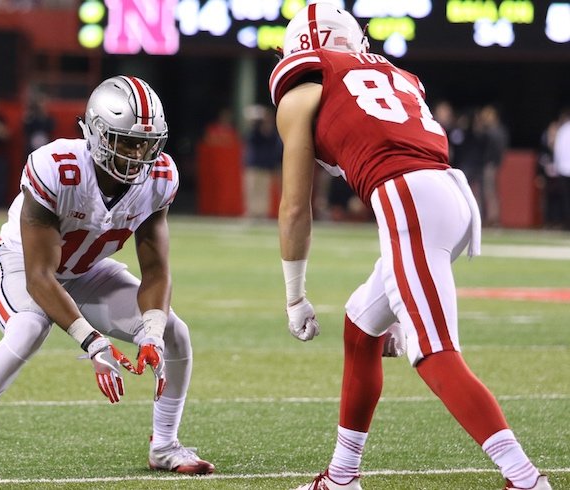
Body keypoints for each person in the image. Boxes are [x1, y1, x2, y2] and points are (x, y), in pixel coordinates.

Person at [269, 4, 550, 490]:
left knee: (434, 352)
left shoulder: (304, 88)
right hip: (449, 195)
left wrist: (294, 295)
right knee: (361, 325)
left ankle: (524, 479)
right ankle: (341, 476)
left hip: (408, 200)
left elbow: (296, 207)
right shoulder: (397, 75)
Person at [0, 75, 214, 478]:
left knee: (174, 332)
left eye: (147, 143)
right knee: (28, 329)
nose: (139, 153)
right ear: (97, 133)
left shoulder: (160, 177)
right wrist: (93, 343)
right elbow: (40, 276)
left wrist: (150, 331)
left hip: (87, 270)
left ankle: (165, 445)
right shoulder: (56, 168)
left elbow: (155, 269)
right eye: (127, 141)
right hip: (20, 263)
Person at [243, 105, 283, 219]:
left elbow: (275, 147)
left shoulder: (272, 133)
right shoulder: (255, 132)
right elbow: (249, 137)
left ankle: (261, 213)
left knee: (263, 191)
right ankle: (252, 213)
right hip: (254, 164)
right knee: (252, 189)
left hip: (265, 165)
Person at [554, 108, 570, 230]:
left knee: (565, 199)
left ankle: (566, 223)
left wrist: (557, 165)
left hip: (564, 168)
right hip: (564, 167)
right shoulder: (563, 130)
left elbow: (557, 149)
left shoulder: (562, 130)